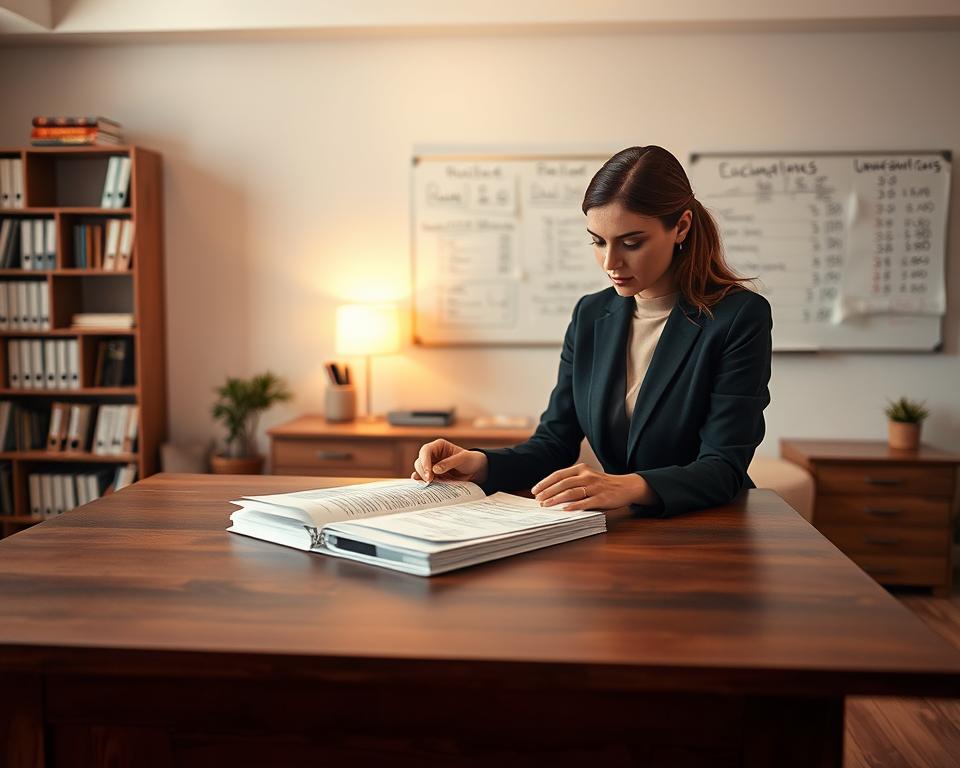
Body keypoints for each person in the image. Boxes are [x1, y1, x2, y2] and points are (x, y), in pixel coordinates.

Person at [411, 145, 772, 517]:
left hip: (706, 528)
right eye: (598, 242)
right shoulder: (591, 313)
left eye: (632, 243)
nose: (611, 263)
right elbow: (554, 443)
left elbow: (723, 468)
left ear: (680, 226)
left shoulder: (739, 317)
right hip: (619, 529)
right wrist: (479, 463)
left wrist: (625, 485)